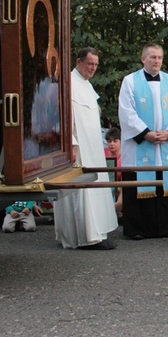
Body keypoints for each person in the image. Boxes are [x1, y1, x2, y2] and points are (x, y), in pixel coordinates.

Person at [118, 44, 168, 240]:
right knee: (140, 182)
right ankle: (138, 229)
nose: (157, 61)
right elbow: (126, 112)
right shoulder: (130, 81)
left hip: (164, 144)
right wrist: (145, 133)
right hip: (140, 145)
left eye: (159, 57)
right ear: (143, 59)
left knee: (164, 182)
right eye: (152, 57)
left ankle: (165, 227)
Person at [54, 47, 118, 250]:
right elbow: (62, 118)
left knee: (95, 187)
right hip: (78, 148)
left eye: (96, 65)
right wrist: (70, 145)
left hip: (92, 148)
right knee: (80, 192)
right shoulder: (66, 83)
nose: (93, 68)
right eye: (90, 63)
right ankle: (84, 237)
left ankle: (96, 232)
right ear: (78, 61)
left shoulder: (87, 86)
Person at [104, 127, 123, 218]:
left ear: (120, 142)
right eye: (109, 141)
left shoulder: (125, 156)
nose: (112, 144)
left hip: (119, 187)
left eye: (115, 141)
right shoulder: (102, 154)